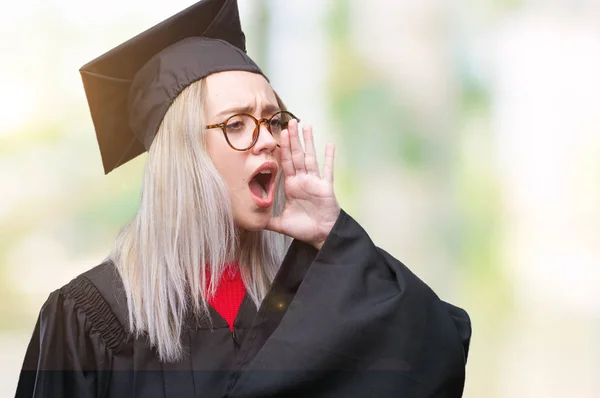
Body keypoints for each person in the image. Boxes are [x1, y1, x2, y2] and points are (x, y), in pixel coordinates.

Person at [15, 0, 471, 397]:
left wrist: (332, 235)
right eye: (237, 124)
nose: (268, 139)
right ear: (183, 155)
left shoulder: (305, 301)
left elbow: (437, 353)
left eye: (273, 120)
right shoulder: (91, 318)